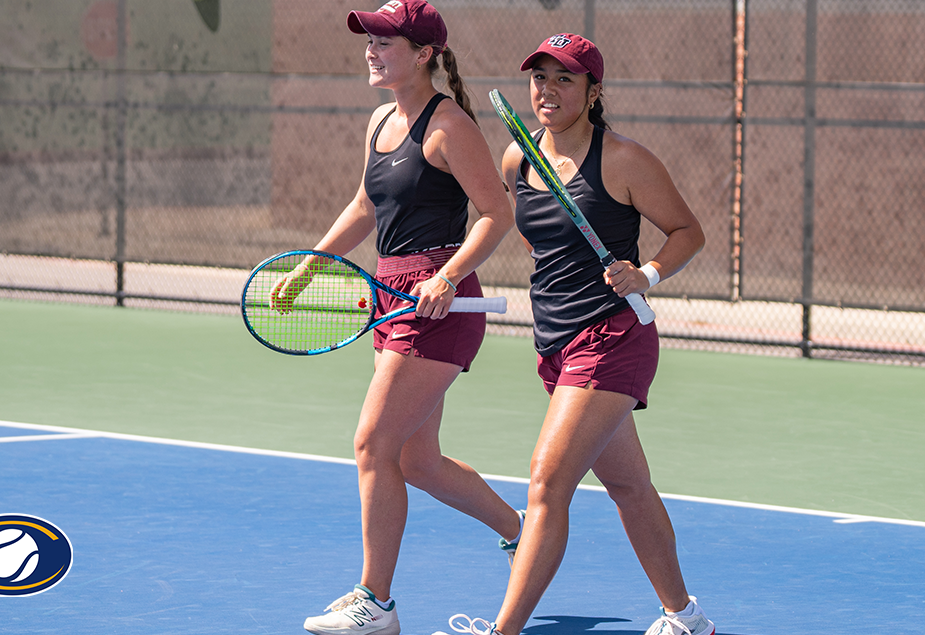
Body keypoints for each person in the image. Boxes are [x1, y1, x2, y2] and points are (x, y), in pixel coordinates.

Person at [443, 33, 714, 635]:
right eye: (540, 78)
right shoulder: (517, 159)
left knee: (546, 481)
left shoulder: (623, 160)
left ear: (593, 93)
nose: (548, 90)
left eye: (565, 79)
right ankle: (685, 617)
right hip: (554, 344)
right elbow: (541, 244)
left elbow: (687, 232)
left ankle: (502, 630)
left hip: (613, 338)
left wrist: (644, 273)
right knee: (627, 485)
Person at [272, 3, 523, 634]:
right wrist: (311, 266)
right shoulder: (381, 119)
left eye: (387, 41)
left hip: (438, 303)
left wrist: (448, 275)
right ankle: (522, 530)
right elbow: (365, 204)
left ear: (424, 54)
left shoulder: (449, 126)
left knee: (372, 444)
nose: (372, 49)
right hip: (389, 291)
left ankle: (375, 602)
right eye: (370, 39)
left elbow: (496, 212)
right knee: (416, 461)